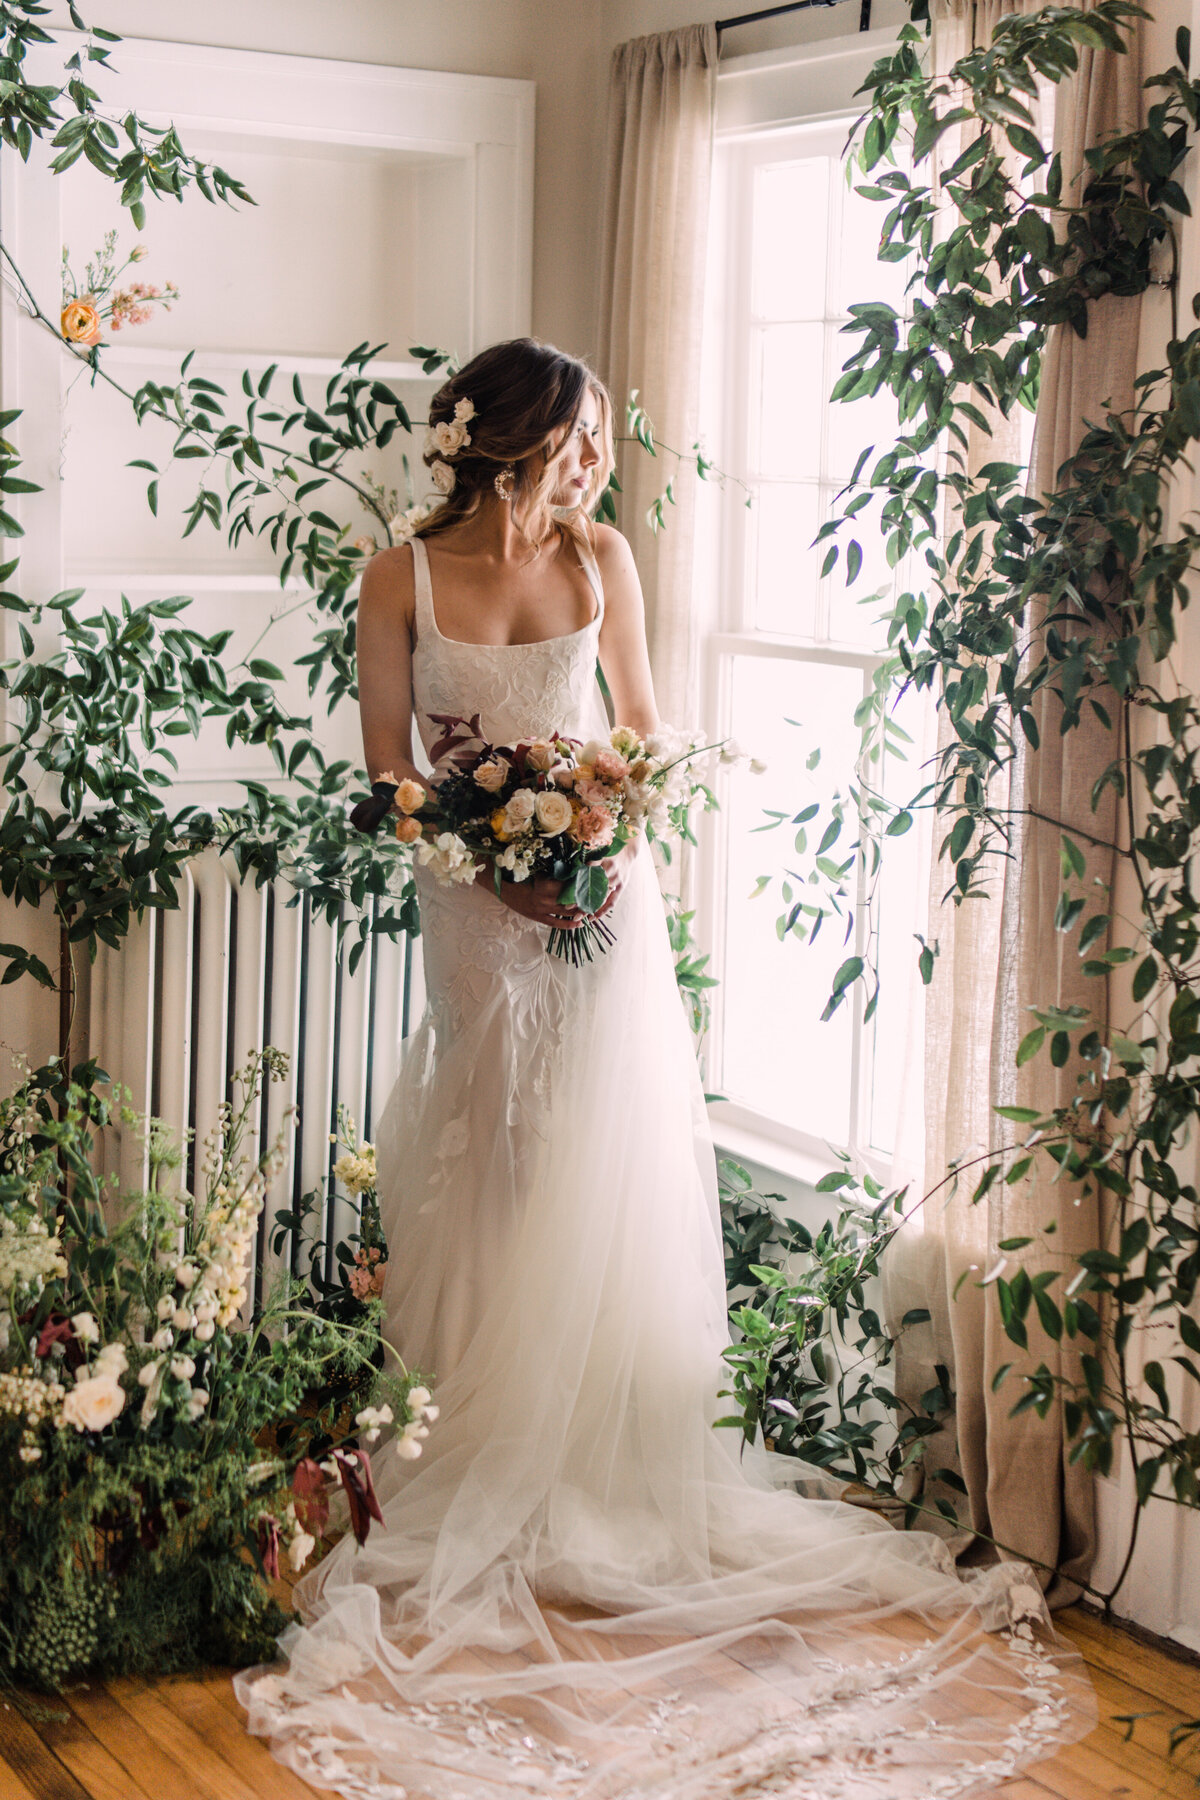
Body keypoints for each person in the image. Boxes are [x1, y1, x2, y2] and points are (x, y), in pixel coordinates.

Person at [236, 338, 1090, 1799]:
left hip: (597, 910)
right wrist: (488, 855)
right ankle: (474, 1430)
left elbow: (641, 734)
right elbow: (385, 778)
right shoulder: (400, 579)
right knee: (487, 1146)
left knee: (599, 1155)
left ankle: (593, 1458)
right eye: (577, 438)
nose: (597, 462)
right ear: (508, 441)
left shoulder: (604, 559)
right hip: (471, 914)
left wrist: (594, 826)